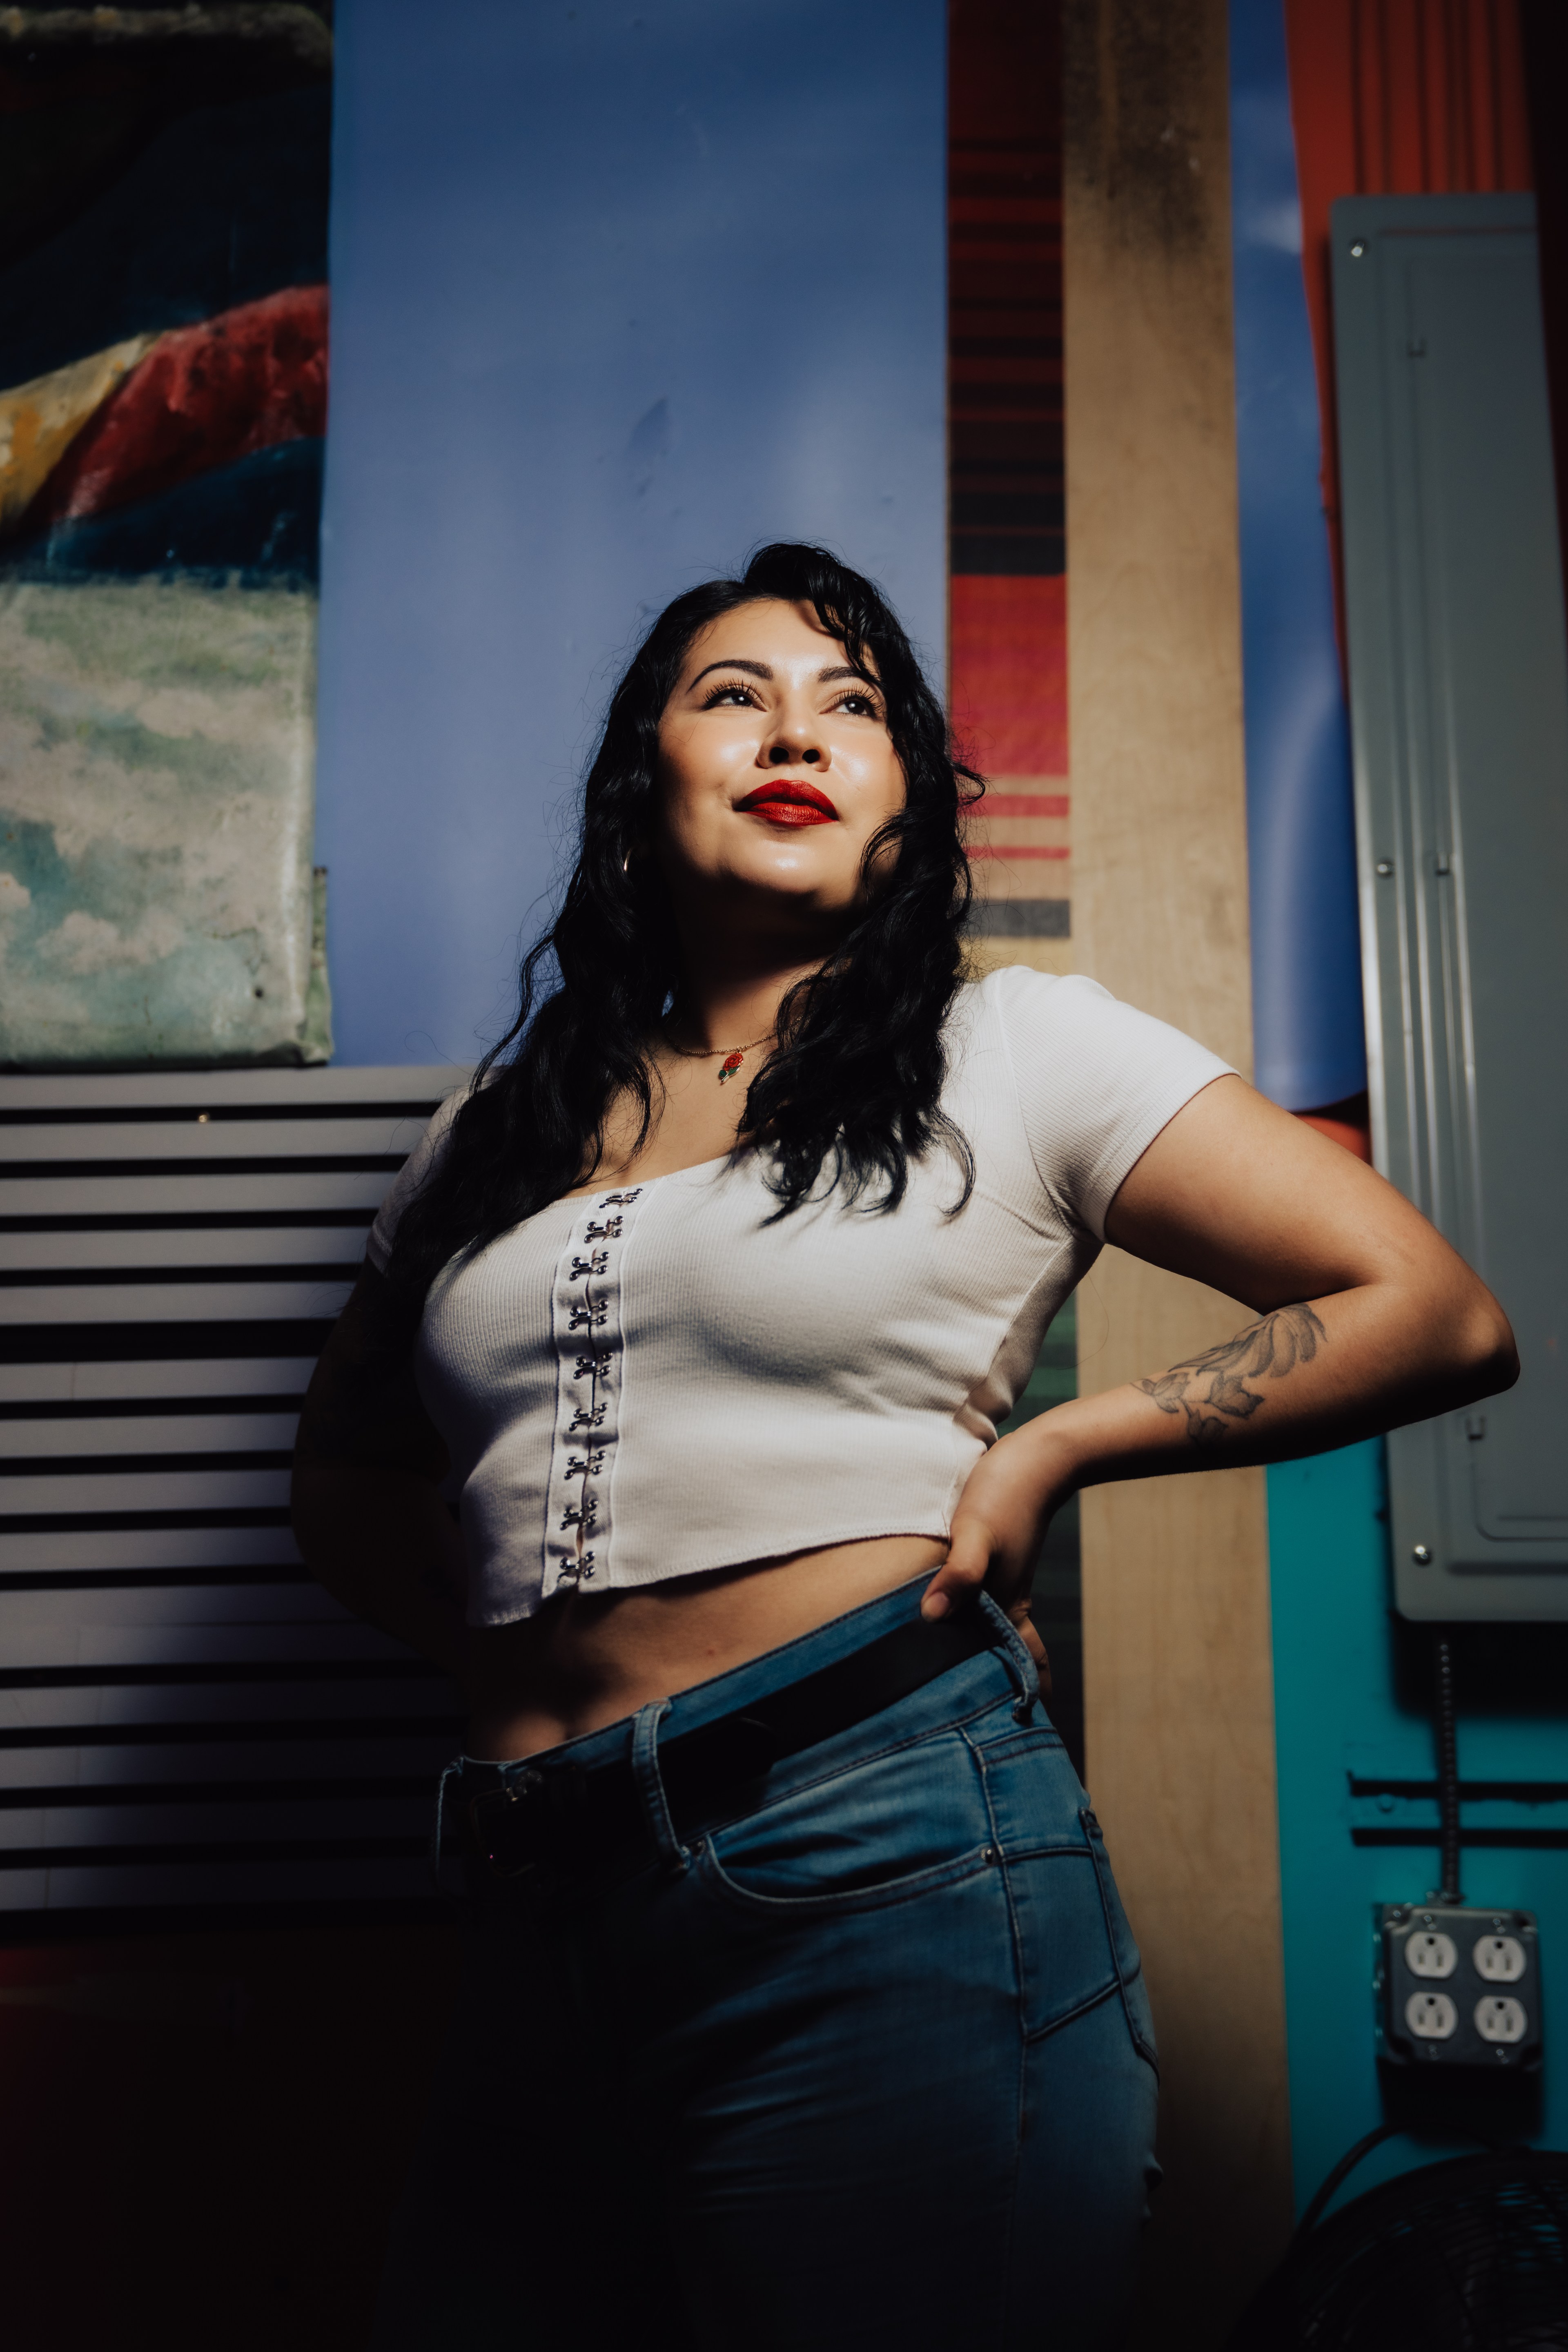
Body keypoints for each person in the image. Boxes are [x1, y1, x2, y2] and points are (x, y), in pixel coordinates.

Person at [292, 543, 1516, 2352]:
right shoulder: (495, 1129)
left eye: (852, 704)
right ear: (646, 781)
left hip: (884, 1859)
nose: (797, 728)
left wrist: (1063, 1448)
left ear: (906, 812)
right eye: (735, 694)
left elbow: (1430, 1306)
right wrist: (520, 1654)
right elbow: (344, 1474)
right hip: (533, 1893)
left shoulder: (1012, 1049)